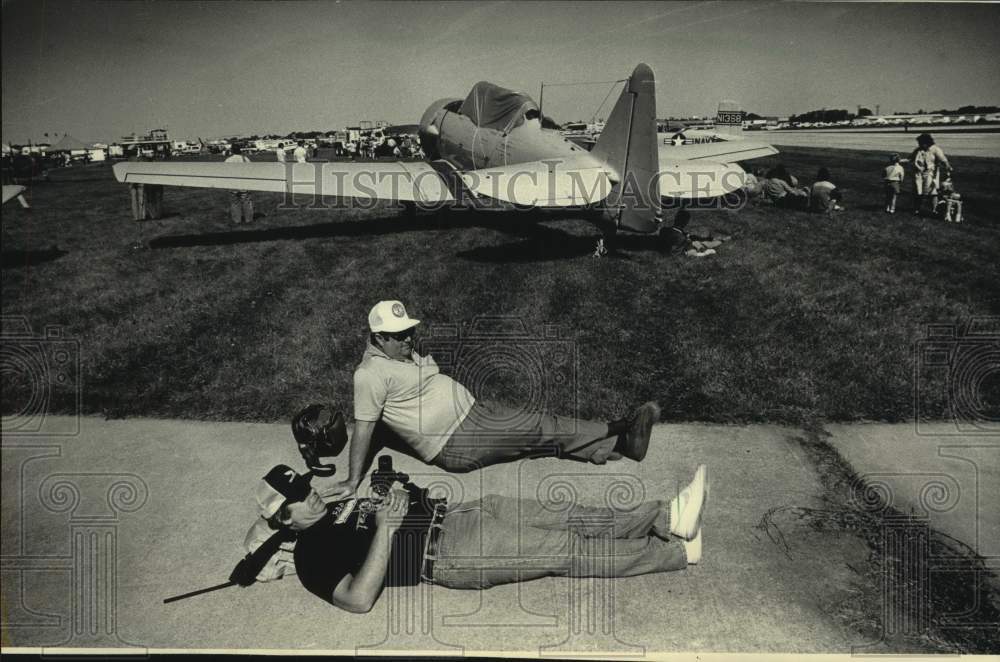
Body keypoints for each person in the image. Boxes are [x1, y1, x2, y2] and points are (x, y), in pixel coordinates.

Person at [252, 462, 708, 611]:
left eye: (305, 486)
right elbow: (357, 599)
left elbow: (402, 496)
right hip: (453, 554)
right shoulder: (311, 559)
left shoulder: (328, 506)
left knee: (573, 516)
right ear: (284, 521)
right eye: (299, 498)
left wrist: (400, 490)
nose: (311, 494)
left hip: (460, 513)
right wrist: (387, 530)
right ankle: (675, 554)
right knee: (565, 551)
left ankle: (667, 517)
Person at [322, 301, 662, 499]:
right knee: (542, 427)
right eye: (399, 335)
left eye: (410, 330)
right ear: (378, 337)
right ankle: (620, 428)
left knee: (537, 435)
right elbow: (365, 427)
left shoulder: (397, 353)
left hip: (475, 413)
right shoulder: (369, 375)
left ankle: (608, 448)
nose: (409, 338)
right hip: (457, 441)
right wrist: (353, 480)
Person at [909, 133, 952, 216]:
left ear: (926, 142)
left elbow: (943, 160)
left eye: (921, 143)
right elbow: (910, 158)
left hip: (931, 174)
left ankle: (935, 210)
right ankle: (916, 209)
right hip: (919, 174)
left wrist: (948, 167)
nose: (919, 145)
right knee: (918, 192)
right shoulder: (918, 150)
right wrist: (897, 161)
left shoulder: (935, 149)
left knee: (932, 192)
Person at [224, 145, 254, 225]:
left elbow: (225, 172)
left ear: (232, 151)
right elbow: (251, 170)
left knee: (235, 202)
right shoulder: (245, 159)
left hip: (233, 184)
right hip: (244, 184)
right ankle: (249, 220)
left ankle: (237, 220)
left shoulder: (228, 160)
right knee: (246, 202)